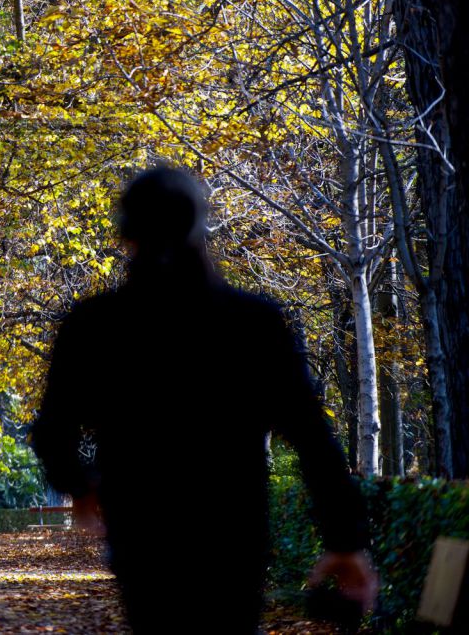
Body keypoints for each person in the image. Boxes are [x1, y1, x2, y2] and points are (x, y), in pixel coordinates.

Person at [31, 166, 378, 633]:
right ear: (200, 227)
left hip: (144, 527)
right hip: (233, 529)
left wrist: (82, 485)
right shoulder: (255, 324)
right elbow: (312, 437)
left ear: (126, 235)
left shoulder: (93, 325)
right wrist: (344, 539)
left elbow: (54, 429)